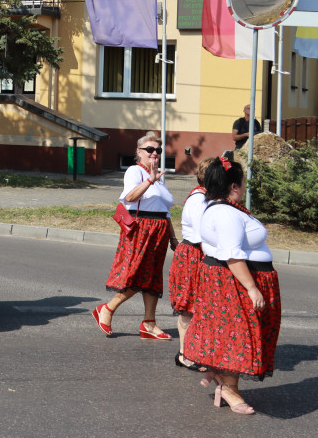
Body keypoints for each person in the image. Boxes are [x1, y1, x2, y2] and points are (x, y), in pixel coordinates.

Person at [184, 157, 281, 415]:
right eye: (243, 182)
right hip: (234, 282)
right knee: (237, 336)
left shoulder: (220, 207)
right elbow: (232, 255)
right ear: (234, 186)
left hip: (231, 279)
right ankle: (229, 389)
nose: (245, 187)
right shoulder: (225, 213)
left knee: (234, 334)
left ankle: (225, 382)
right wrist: (252, 288)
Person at [92, 132, 178, 339]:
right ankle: (107, 309)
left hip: (159, 231)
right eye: (150, 150)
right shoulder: (134, 171)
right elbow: (128, 198)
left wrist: (173, 238)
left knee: (153, 278)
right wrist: (149, 180)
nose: (154, 153)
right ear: (139, 152)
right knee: (137, 276)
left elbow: (164, 212)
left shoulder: (159, 177)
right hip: (141, 230)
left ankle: (149, 323)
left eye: (158, 150)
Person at [169, 157, 213, 371]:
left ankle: (195, 351)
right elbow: (202, 237)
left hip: (198, 254)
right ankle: (184, 354)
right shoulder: (199, 200)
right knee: (188, 308)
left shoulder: (207, 197)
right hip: (193, 255)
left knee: (199, 307)